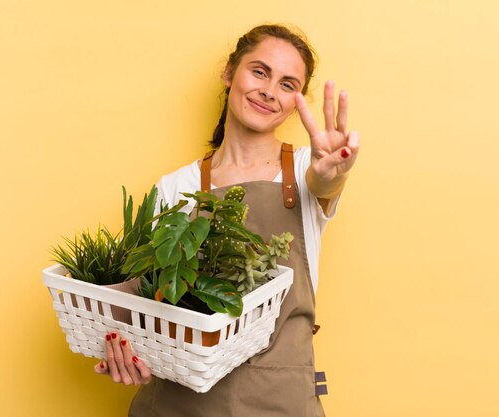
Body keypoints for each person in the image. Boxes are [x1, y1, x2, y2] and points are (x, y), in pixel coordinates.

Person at [93, 23, 360, 416]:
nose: (269, 90)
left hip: (280, 400)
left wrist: (332, 170)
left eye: (288, 84)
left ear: (297, 101)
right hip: (179, 403)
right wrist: (123, 349)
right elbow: (147, 300)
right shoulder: (175, 187)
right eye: (259, 71)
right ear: (229, 71)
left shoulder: (305, 169)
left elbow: (325, 183)